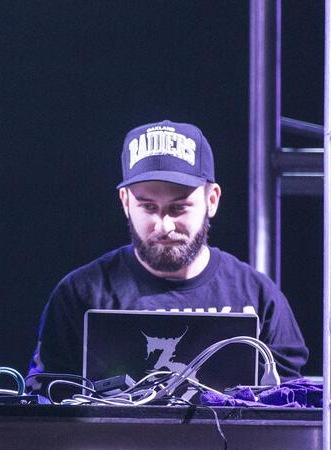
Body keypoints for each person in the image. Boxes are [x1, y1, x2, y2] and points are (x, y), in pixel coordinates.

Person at [28, 120, 308, 391]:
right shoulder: (79, 295)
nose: (164, 226)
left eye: (178, 208)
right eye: (148, 207)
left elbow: (290, 407)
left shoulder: (258, 297)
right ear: (125, 202)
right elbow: (46, 402)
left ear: (212, 200)